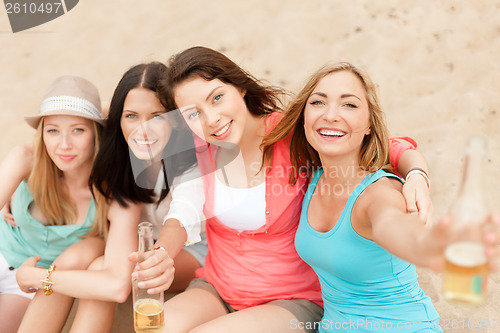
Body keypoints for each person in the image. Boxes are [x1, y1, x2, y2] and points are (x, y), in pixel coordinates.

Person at [135, 46, 433, 333]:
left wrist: (417, 174)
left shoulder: (289, 135)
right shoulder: (202, 146)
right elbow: (184, 209)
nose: (211, 119)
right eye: (192, 113)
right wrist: (163, 253)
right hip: (219, 286)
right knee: (154, 327)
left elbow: (385, 145)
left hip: (291, 300)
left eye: (217, 98)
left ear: (240, 88)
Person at [264, 62, 497, 332]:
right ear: (304, 116)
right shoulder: (311, 177)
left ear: (370, 126)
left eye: (349, 105)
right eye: (318, 102)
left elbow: (392, 224)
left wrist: (429, 248)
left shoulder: (380, 193)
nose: (330, 115)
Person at [17, 62, 206, 332]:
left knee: (100, 269)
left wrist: (37, 277)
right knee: (74, 258)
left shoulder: (189, 162)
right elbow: (91, 117)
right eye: (131, 116)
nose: (143, 129)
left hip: (190, 246)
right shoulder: (119, 158)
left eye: (156, 116)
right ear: (118, 118)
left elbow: (181, 218)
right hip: (142, 238)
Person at [0, 75, 107, 333]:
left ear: (97, 133)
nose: (64, 145)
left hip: (29, 282)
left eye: (78, 130)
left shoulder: (107, 193)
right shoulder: (26, 159)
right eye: (53, 130)